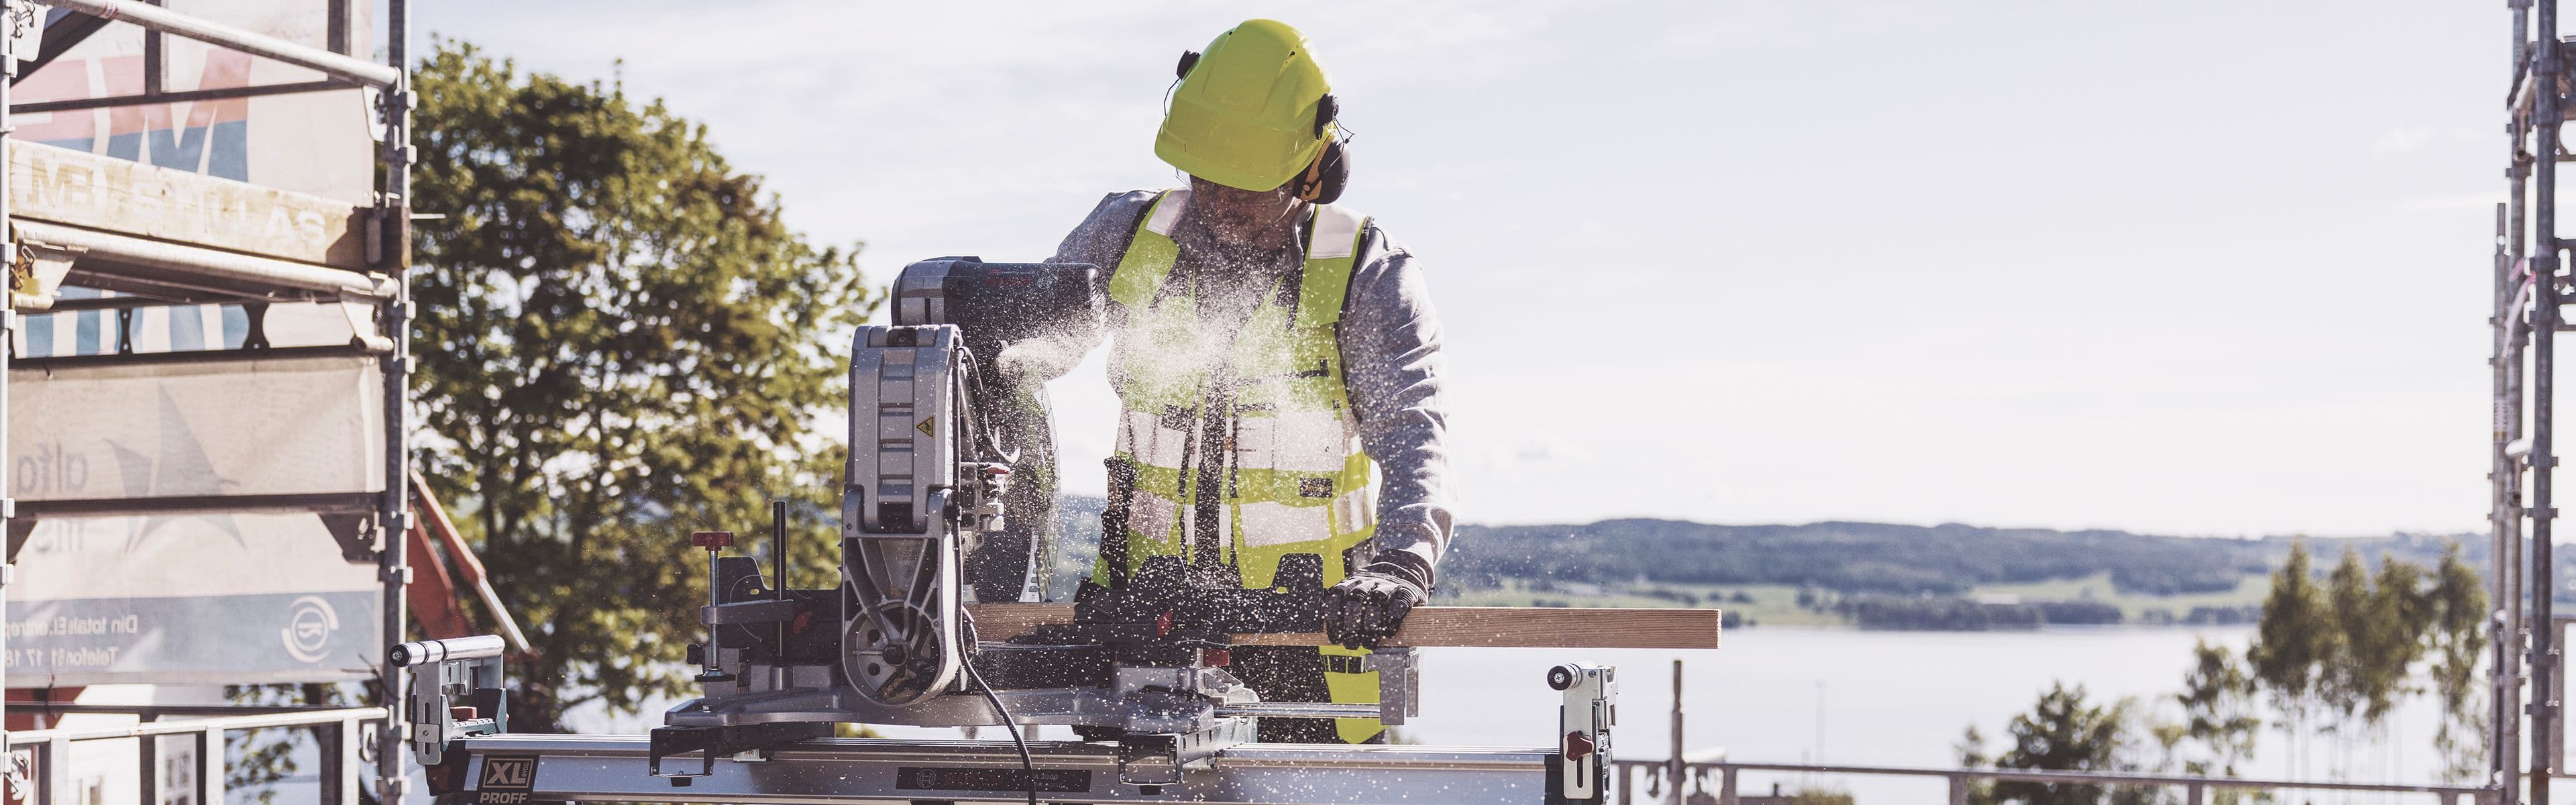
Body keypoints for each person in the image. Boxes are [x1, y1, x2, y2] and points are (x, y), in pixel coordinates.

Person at [1046, 19, 1453, 745]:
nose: (1220, 201)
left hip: (1316, 633)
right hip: (1143, 623)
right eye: (1204, 177)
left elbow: (1412, 429)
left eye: (1246, 186)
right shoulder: (1128, 235)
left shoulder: (1367, 272)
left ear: (1313, 172)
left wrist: (1399, 564)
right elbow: (1023, 356)